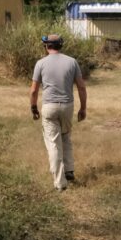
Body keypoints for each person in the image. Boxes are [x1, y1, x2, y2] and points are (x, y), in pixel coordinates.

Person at [30, 33, 87, 191]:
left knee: (54, 144)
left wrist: (34, 108)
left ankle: (60, 183)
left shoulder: (40, 63)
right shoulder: (72, 62)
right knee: (66, 136)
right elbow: (81, 87)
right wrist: (83, 108)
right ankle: (69, 171)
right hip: (67, 106)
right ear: (61, 46)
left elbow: (34, 90)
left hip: (49, 107)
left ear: (47, 46)